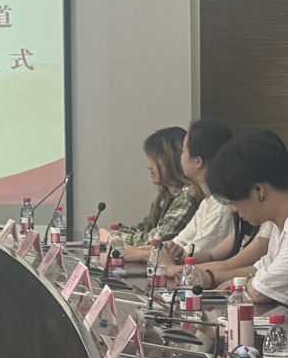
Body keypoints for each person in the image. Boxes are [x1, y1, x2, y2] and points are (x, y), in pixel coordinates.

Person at [124, 121, 234, 263]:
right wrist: (133, 251)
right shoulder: (209, 202)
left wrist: (137, 253)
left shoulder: (221, 206)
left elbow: (193, 253)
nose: (180, 157)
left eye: (183, 151)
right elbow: (177, 243)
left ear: (198, 162)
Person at [203, 130, 288, 303]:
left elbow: (259, 291)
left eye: (234, 201)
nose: (233, 210)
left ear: (258, 191)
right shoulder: (278, 227)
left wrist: (245, 284)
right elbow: (260, 269)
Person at [100, 127, 199, 252]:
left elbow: (156, 239)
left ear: (171, 161)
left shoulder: (187, 196)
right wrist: (115, 232)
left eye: (154, 160)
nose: (149, 166)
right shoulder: (166, 196)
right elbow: (145, 229)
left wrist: (112, 238)